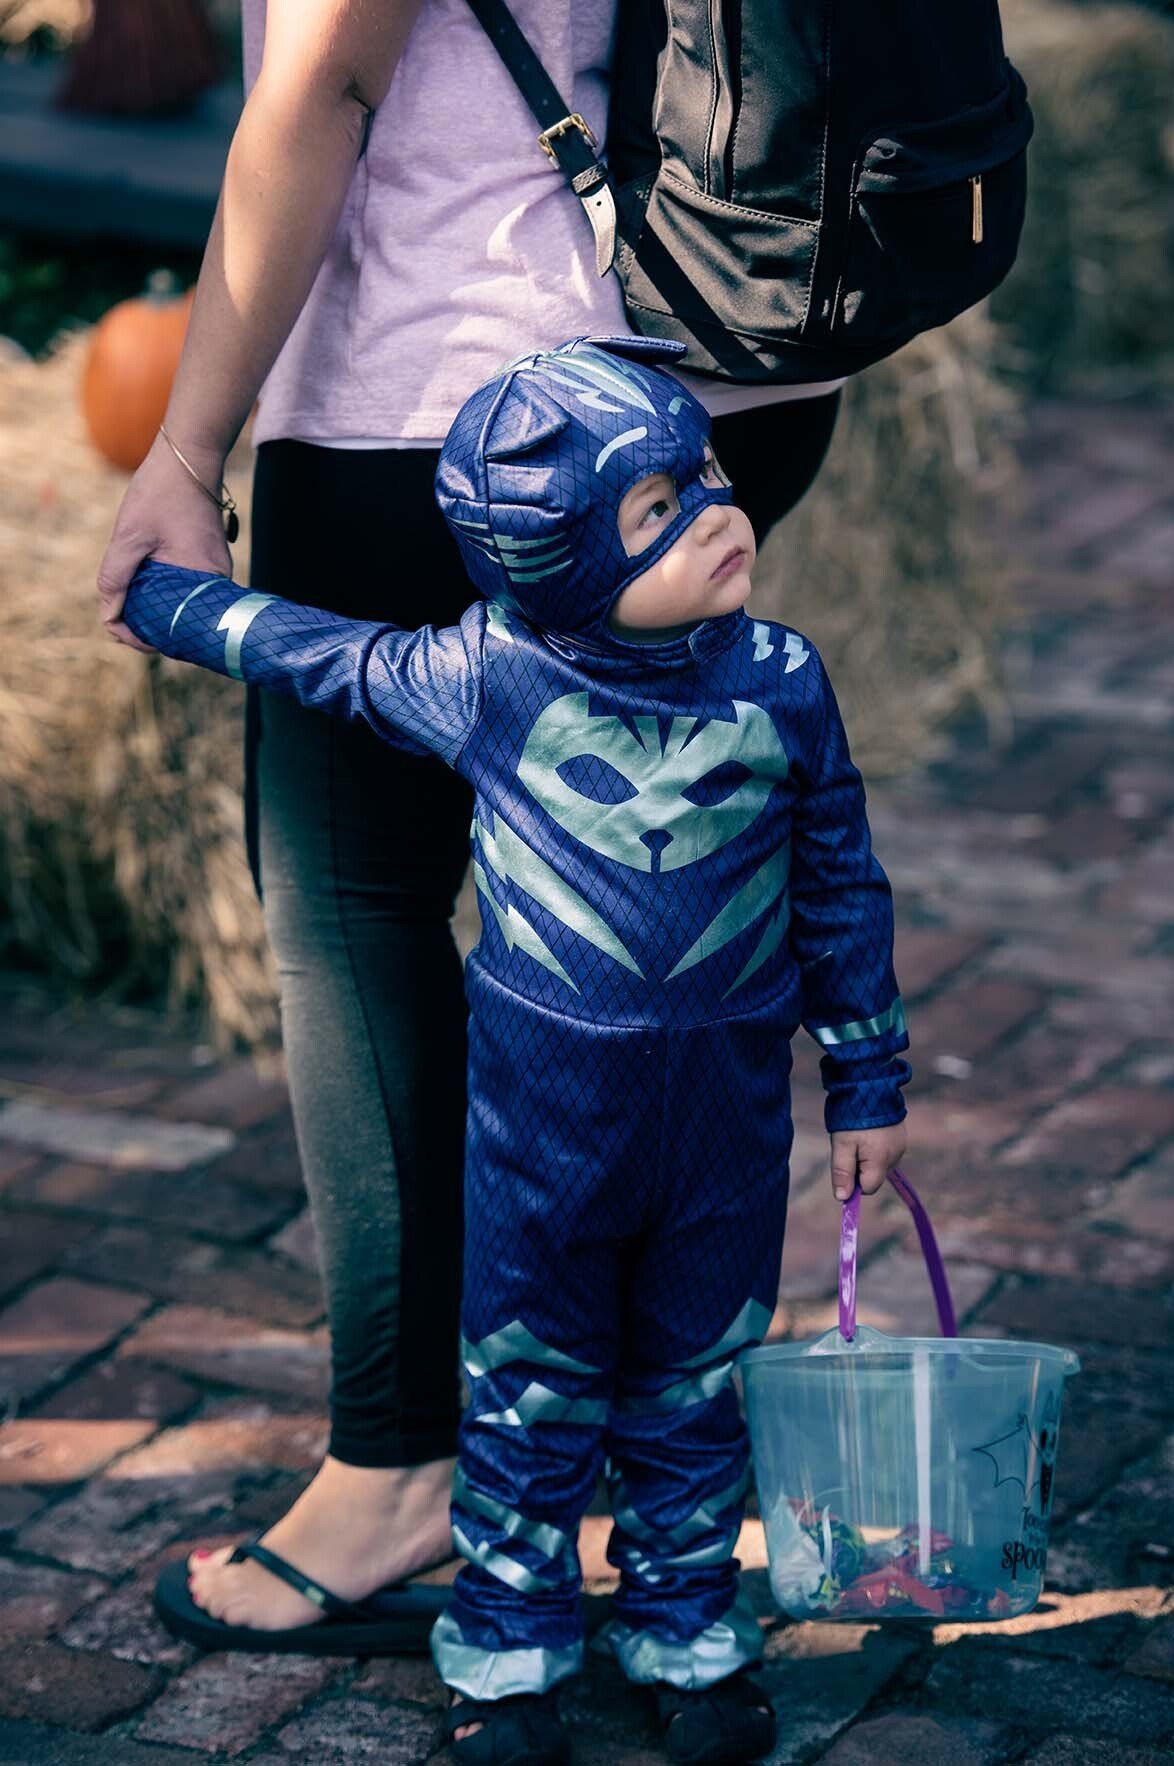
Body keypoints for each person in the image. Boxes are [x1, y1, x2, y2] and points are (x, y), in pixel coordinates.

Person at [97, 0, 846, 1655]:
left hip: (468, 399)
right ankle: (622, 1445)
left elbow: (324, 80)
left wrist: (185, 447)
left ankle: (400, 1468)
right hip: (732, 360)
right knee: (618, 923)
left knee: (356, 904)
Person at [120, 335, 910, 1765]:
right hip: (542, 1144)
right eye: (657, 509)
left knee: (697, 1383)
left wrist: (868, 1074)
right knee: (526, 1391)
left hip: (726, 1141)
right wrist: (169, 599)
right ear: (555, 562)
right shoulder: (490, 680)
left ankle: (689, 1634)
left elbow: (841, 881)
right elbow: (318, 652)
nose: (718, 511)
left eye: (706, 473)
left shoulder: (780, 682)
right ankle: (508, 1653)